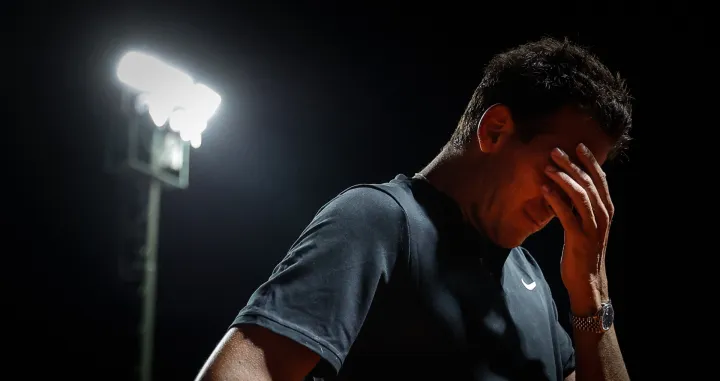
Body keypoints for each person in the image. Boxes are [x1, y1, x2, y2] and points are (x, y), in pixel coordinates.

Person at [195, 37, 632, 381]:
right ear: (495, 131)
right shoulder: (378, 219)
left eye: (591, 180)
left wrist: (591, 289)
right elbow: (241, 372)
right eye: (566, 169)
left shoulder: (531, 278)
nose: (576, 198)